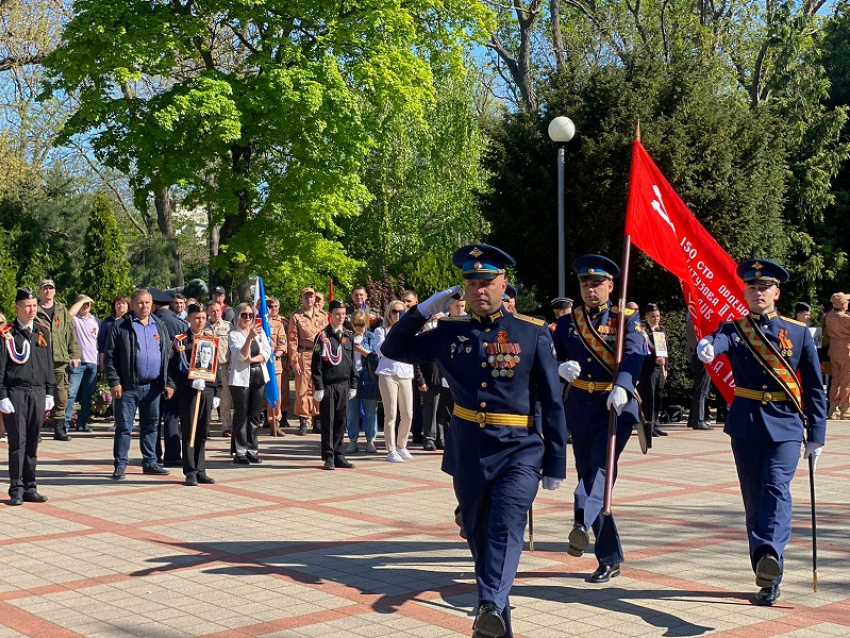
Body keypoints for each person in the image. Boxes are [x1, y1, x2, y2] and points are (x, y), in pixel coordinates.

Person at [381, 244, 567, 638]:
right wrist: (423, 311)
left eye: (487, 282)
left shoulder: (531, 333)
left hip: (519, 450)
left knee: (503, 529)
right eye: (471, 282)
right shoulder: (449, 332)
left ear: (504, 284)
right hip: (468, 452)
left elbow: (551, 402)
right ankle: (496, 621)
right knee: (481, 541)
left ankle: (486, 605)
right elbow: (392, 348)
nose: (479, 289)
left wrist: (555, 462)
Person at [696, 259, 826, 606]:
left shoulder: (798, 333)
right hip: (747, 423)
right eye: (752, 288)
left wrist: (817, 434)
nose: (758, 293)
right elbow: (718, 341)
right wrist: (708, 345)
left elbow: (814, 387)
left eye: (764, 288)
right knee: (754, 502)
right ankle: (766, 574)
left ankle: (771, 555)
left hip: (784, 424)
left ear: (777, 293)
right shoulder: (734, 328)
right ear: (745, 292)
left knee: (775, 488)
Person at [552, 254, 644, 584]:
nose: (590, 290)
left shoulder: (625, 319)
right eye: (584, 284)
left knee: (600, 471)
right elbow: (548, 356)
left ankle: (581, 515)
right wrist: (557, 369)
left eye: (597, 284)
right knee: (592, 474)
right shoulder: (567, 323)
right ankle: (609, 556)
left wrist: (623, 385)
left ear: (610, 286)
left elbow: (635, 355)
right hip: (580, 404)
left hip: (614, 406)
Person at [104, 289, 174, 480]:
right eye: (140, 303)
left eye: (148, 303)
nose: (145, 306)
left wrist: (167, 382)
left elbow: (166, 355)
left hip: (152, 387)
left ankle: (150, 461)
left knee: (151, 426)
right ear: (133, 305)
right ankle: (120, 465)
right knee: (124, 427)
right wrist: (115, 381)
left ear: (152, 304)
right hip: (127, 387)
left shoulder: (159, 325)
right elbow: (109, 356)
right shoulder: (121, 326)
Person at [0, 288, 55, 505]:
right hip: (16, 393)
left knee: (33, 442)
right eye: (27, 306)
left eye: (34, 305)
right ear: (17, 308)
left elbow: (49, 364)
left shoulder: (42, 331)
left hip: (38, 392)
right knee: (17, 443)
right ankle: (16, 489)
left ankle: (31, 486)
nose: (32, 310)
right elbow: (1, 368)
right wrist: (2, 395)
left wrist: (50, 391)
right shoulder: (7, 334)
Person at [169, 303, 220, 486]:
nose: (200, 321)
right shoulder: (181, 341)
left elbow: (216, 367)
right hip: (189, 391)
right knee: (190, 430)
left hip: (206, 390)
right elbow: (173, 368)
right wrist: (188, 381)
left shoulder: (210, 339)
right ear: (188, 319)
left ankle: (201, 469)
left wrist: (216, 391)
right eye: (197, 318)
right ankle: (190, 470)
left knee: (203, 431)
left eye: (203, 318)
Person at [312, 299, 358, 470]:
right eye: (337, 314)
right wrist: (319, 386)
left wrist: (354, 383)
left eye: (343, 314)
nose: (340, 317)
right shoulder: (322, 337)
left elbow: (352, 362)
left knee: (341, 421)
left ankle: (339, 454)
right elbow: (316, 364)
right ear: (330, 315)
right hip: (329, 385)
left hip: (344, 384)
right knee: (328, 421)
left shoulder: (348, 336)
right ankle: (328, 455)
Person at [37, 279, 81, 441]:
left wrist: (75, 354)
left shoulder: (61, 310)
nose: (48, 291)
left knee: (61, 395)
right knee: (38, 395)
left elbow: (70, 333)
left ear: (54, 291)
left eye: (51, 288)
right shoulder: (35, 310)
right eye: (45, 289)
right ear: (40, 291)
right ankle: (37, 431)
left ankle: (59, 429)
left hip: (59, 359)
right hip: (39, 360)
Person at [229, 302, 271, 465]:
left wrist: (254, 359)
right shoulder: (234, 334)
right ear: (238, 317)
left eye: (250, 315)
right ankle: (240, 451)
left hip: (258, 375)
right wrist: (249, 338)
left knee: (254, 415)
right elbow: (240, 355)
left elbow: (267, 352)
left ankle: (252, 450)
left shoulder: (259, 333)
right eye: (244, 315)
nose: (248, 318)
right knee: (241, 415)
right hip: (241, 379)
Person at [374, 300, 416, 462]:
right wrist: (395, 336)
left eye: (400, 311)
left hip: (405, 373)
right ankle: (390, 449)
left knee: (408, 414)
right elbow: (380, 350)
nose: (397, 314)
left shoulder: (409, 331)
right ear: (388, 313)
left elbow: (413, 348)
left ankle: (401, 446)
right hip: (387, 374)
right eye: (394, 311)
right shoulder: (381, 330)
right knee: (391, 414)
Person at [151, 288, 188, 468]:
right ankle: (173, 455)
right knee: (172, 417)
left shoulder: (151, 323)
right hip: (176, 377)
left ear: (155, 305)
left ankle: (154, 455)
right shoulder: (181, 324)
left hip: (154, 376)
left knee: (153, 417)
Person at [288, 287, 326, 435]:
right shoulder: (296, 317)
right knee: (302, 388)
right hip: (304, 354)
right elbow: (292, 341)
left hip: (319, 354)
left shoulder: (322, 316)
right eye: (306, 297)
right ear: (301, 299)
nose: (310, 299)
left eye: (312, 297)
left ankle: (317, 418)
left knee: (318, 386)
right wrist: (294, 361)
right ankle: (303, 419)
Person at [345, 310, 379, 454]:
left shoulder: (371, 337)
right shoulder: (346, 338)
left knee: (370, 412)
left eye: (362, 324)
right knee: (352, 412)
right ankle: (352, 441)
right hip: (351, 378)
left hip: (368, 377)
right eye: (356, 324)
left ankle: (370, 440)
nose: (359, 327)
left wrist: (362, 350)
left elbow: (376, 357)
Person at [66, 294, 100, 433]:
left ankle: (83, 423)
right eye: (83, 304)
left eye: (88, 304)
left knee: (88, 395)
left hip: (92, 362)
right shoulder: (74, 319)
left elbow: (100, 343)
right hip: (77, 362)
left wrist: (101, 361)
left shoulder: (96, 321)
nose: (86, 306)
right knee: (71, 393)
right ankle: (65, 423)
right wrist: (82, 301)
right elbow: (68, 315)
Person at [639, 303, 668, 437]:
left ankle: (655, 424)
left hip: (659, 369)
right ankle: (648, 426)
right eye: (652, 316)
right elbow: (642, 350)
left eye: (657, 316)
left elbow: (665, 351)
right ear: (647, 316)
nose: (655, 318)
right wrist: (653, 360)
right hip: (648, 369)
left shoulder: (661, 330)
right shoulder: (643, 330)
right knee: (649, 398)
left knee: (658, 396)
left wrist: (666, 368)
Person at [207, 300, 233, 436]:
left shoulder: (228, 327)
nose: (215, 313)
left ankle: (226, 426)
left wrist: (231, 366)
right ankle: (205, 427)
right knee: (206, 397)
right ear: (208, 312)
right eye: (212, 311)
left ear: (221, 311)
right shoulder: (203, 326)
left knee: (225, 398)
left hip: (223, 366)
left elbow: (233, 348)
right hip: (207, 368)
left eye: (217, 311)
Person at [824, 292, 850, 419]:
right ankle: (845, 409)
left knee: (835, 380)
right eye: (845, 302)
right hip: (846, 350)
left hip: (834, 350)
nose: (847, 304)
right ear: (842, 304)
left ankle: (833, 409)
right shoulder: (846, 318)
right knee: (846, 381)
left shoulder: (828, 316)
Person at [266, 297, 289, 436]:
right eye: (269, 306)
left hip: (274, 363)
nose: (272, 309)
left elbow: (283, 343)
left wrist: (277, 354)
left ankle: (274, 422)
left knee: (275, 394)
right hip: (258, 362)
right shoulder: (257, 322)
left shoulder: (279, 324)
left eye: (274, 306)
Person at [686, 314, 712, 430]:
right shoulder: (696, 322)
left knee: (698, 388)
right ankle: (698, 420)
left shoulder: (691, 319)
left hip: (696, 355)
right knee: (702, 390)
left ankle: (693, 418)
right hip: (701, 355)